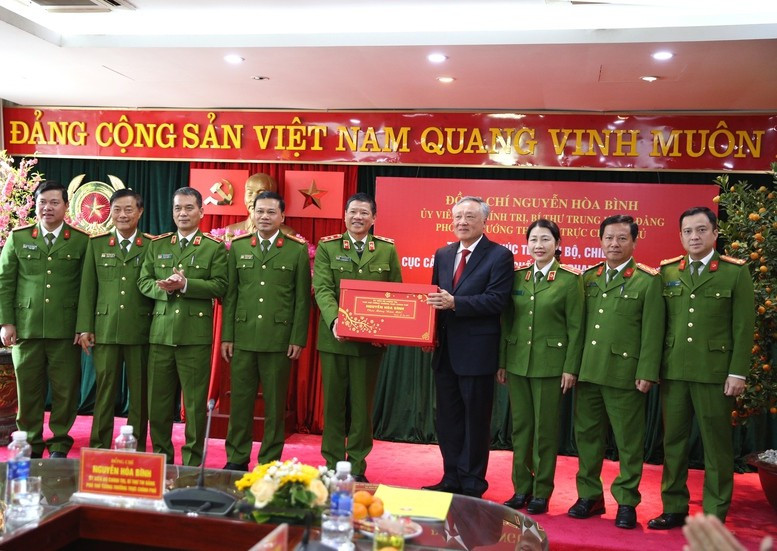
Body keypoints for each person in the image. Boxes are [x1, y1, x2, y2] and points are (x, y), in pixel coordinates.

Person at [649, 207, 755, 529]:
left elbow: (743, 327)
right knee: (673, 444)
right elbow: (657, 326)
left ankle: (714, 513)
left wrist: (738, 372)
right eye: (687, 231)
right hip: (674, 372)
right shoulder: (668, 271)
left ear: (715, 233)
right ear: (680, 235)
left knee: (716, 446)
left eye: (701, 230)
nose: (694, 237)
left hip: (715, 374)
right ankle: (674, 507)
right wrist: (653, 369)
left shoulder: (734, 272)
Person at [568, 214, 664, 529]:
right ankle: (589, 496)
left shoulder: (647, 280)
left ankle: (626, 502)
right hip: (589, 372)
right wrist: (572, 368)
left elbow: (653, 331)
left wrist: (647, 371)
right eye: (609, 237)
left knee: (628, 442)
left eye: (622, 238)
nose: (614, 244)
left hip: (626, 375)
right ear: (600, 240)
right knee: (587, 438)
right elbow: (578, 329)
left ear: (634, 242)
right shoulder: (588, 278)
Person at [423, 196, 514, 498]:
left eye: (470, 216)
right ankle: (451, 477)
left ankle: (473, 482)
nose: (462, 222)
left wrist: (456, 303)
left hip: (477, 354)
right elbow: (435, 298)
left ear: (485, 221)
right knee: (447, 420)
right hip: (445, 352)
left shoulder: (499, 255)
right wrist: (427, 335)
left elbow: (497, 300)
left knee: (475, 421)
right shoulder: (443, 253)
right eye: (458, 216)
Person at [497, 219, 584, 514]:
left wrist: (570, 368)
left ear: (557, 244)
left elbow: (576, 329)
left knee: (545, 431)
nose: (539, 245)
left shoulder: (569, 280)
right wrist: (502, 361)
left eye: (545, 239)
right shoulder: (517, 277)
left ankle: (541, 491)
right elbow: (507, 322)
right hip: (518, 363)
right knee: (521, 429)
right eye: (533, 239)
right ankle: (521, 487)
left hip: (551, 366)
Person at [312, 192, 401, 481]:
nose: (358, 217)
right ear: (345, 215)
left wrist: (385, 330)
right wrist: (335, 321)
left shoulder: (386, 250)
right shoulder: (328, 247)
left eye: (364, 213)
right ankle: (332, 464)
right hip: (334, 340)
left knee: (362, 409)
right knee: (334, 406)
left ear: (373, 218)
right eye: (353, 212)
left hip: (369, 345)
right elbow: (323, 288)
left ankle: (358, 466)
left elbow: (395, 294)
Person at [221, 190, 311, 471]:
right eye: (259, 211)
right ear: (252, 214)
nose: (264, 217)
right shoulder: (238, 247)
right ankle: (236, 458)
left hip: (278, 340)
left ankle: (269, 461)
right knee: (240, 404)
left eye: (271, 212)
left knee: (274, 407)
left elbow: (301, 299)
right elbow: (231, 295)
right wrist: (227, 335)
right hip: (243, 337)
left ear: (282, 216)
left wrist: (297, 337)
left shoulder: (296, 250)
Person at [138, 187, 227, 466]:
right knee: (158, 405)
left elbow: (220, 286)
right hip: (160, 335)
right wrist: (163, 287)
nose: (182, 213)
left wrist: (187, 284)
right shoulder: (158, 244)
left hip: (194, 338)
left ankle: (191, 464)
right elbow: (143, 281)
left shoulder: (213, 247)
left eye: (189, 208)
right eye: (178, 208)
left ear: (202, 211)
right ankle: (161, 459)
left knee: (195, 406)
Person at [0, 180, 89, 458]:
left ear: (65, 206)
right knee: (28, 390)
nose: (47, 208)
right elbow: (5, 281)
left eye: (54, 202)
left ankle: (60, 442)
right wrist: (6, 322)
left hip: (65, 329)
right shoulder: (19, 237)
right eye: (42, 202)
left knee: (65, 390)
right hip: (26, 328)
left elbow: (87, 288)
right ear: (35, 205)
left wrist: (83, 326)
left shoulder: (81, 241)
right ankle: (30, 442)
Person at [76, 189, 153, 451]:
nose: (122, 215)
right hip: (105, 329)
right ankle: (99, 445)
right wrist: (84, 327)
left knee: (139, 393)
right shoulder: (97, 244)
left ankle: (137, 446)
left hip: (140, 329)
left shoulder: (151, 245)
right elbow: (88, 289)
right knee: (105, 390)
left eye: (128, 209)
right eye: (117, 209)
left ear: (140, 212)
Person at [225, 173, 295, 239]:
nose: (253, 199)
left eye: (261, 194)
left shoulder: (286, 234)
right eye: (250, 193)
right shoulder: (230, 232)